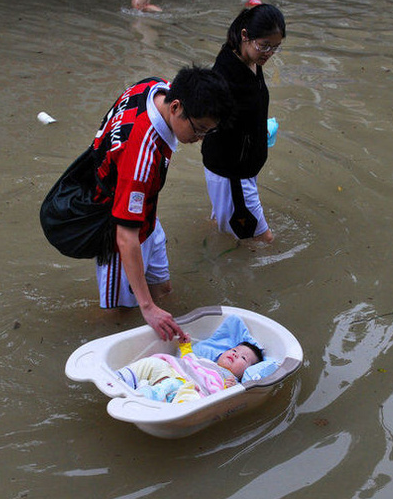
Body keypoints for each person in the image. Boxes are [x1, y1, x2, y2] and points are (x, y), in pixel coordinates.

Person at [41, 66, 232, 341]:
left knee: (163, 289)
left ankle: (153, 316)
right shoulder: (142, 155)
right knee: (119, 314)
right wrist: (147, 307)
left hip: (142, 213)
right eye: (199, 130)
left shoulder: (152, 87)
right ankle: (92, 341)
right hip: (117, 229)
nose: (199, 139)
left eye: (207, 132)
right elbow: (125, 235)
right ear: (176, 107)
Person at [201, 0, 286, 243]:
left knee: (225, 227)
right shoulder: (226, 75)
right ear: (245, 35)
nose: (269, 53)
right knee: (263, 240)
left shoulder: (250, 58)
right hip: (232, 172)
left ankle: (212, 240)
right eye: (265, 46)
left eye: (275, 47)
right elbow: (207, 120)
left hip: (243, 168)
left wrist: (258, 130)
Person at [117, 338, 264, 403]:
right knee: (153, 363)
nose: (235, 354)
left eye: (243, 358)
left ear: (246, 371)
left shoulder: (231, 381)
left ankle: (151, 398)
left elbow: (223, 401)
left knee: (191, 400)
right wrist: (185, 345)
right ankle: (121, 379)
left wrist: (230, 389)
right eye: (234, 350)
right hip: (174, 374)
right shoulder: (205, 362)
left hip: (191, 389)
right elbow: (189, 360)